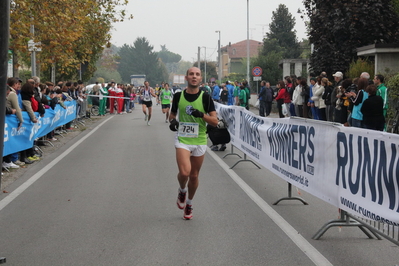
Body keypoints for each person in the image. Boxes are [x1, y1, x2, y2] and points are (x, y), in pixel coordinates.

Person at [168, 67, 218, 220]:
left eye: (197, 74)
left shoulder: (206, 98)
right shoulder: (178, 96)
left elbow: (215, 121)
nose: (194, 77)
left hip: (200, 139)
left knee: (194, 176)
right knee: (185, 173)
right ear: (186, 77)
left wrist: (200, 114)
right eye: (191, 74)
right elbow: (172, 114)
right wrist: (172, 122)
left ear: (200, 78)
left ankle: (189, 202)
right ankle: (182, 190)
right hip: (183, 138)